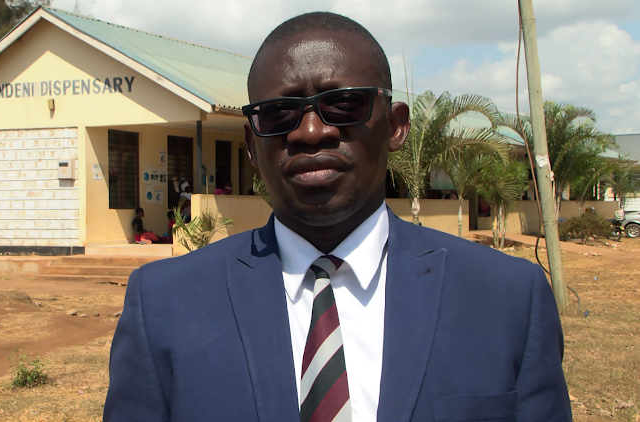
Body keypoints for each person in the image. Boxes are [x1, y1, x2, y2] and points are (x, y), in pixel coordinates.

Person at [105, 12, 570, 422]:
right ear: (251, 143)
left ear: (395, 126)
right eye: (279, 113)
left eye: (344, 104)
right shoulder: (164, 304)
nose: (311, 132)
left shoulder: (507, 299)